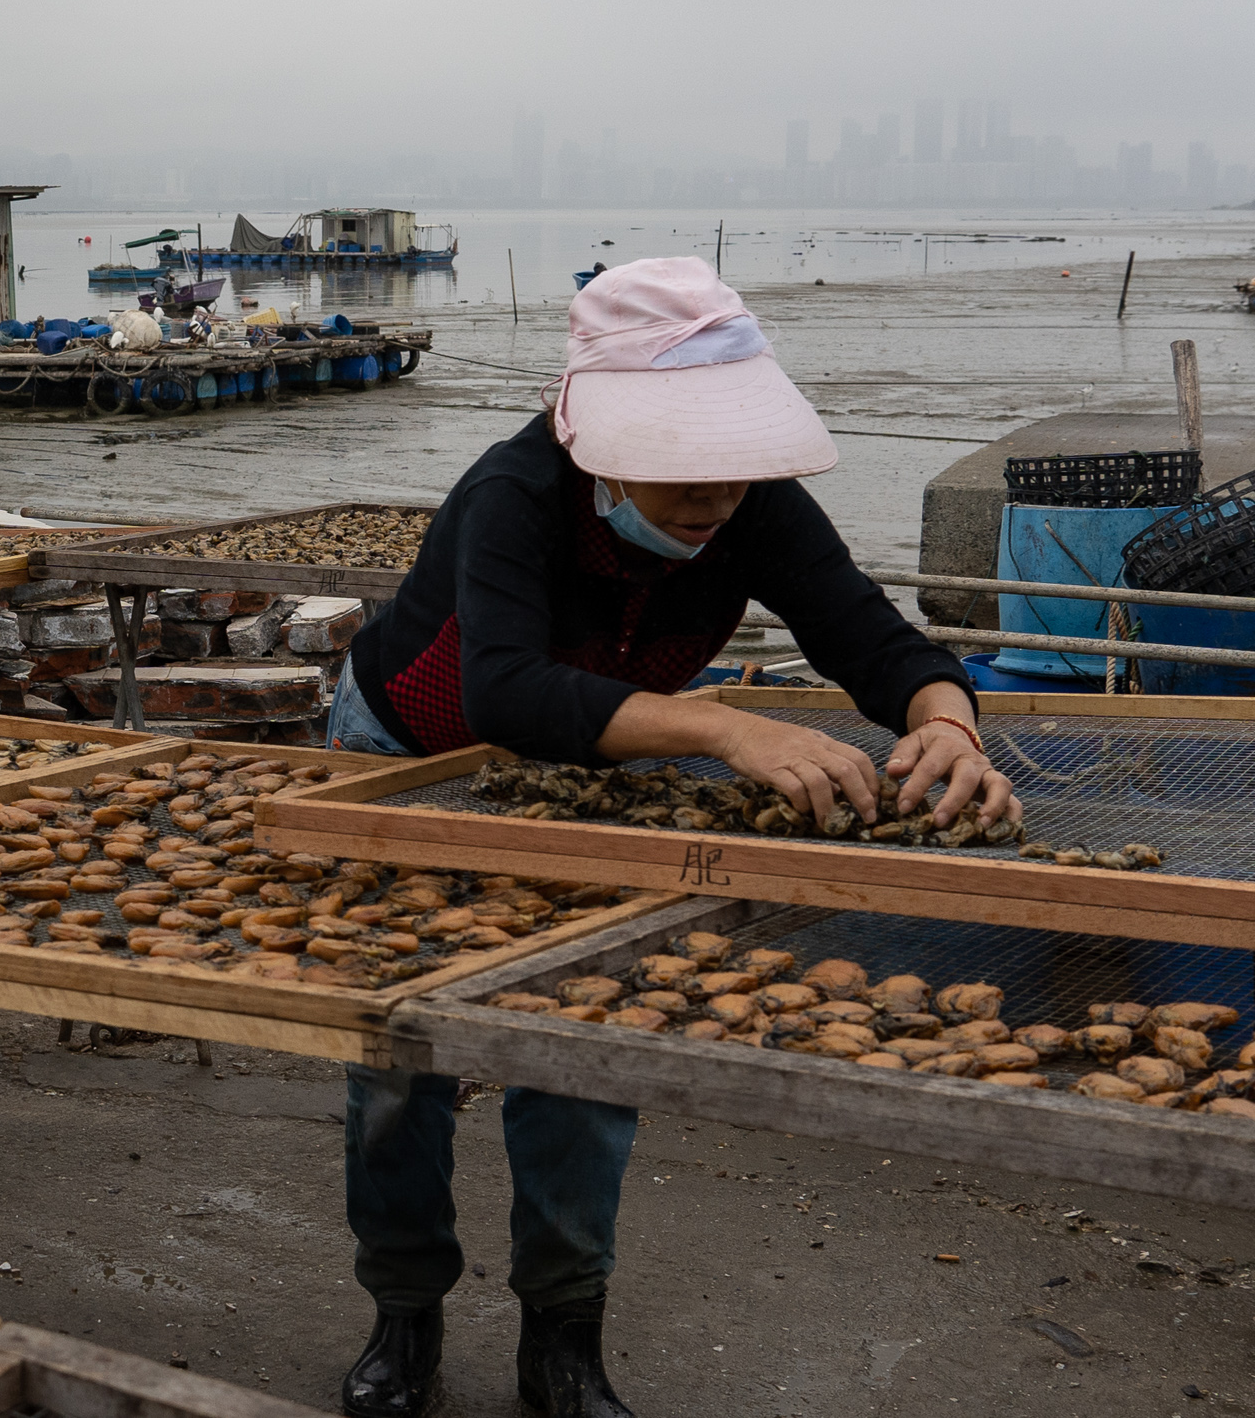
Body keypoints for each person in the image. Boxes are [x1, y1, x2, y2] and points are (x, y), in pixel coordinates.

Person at [324, 256, 1018, 1418]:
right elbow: (500, 691)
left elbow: (868, 639)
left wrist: (948, 721)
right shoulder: (514, 491)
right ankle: (403, 1315)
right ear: (596, 439)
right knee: (402, 1052)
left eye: (730, 466)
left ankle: (562, 1337)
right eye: (677, 466)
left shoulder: (757, 507)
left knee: (588, 1047)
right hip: (411, 756)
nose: (711, 495)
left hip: (602, 764)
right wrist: (717, 727)